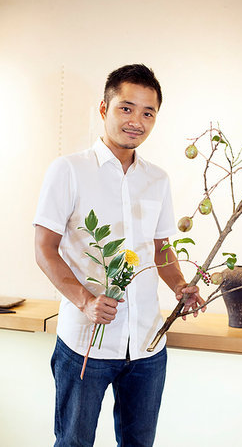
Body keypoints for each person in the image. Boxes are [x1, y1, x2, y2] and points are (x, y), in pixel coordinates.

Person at [34, 64, 205, 447]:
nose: (137, 121)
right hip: (86, 343)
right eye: (126, 108)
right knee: (74, 443)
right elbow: (44, 248)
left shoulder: (158, 179)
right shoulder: (69, 170)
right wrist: (86, 301)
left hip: (147, 344)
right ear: (103, 109)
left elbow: (161, 248)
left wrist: (180, 286)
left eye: (148, 113)